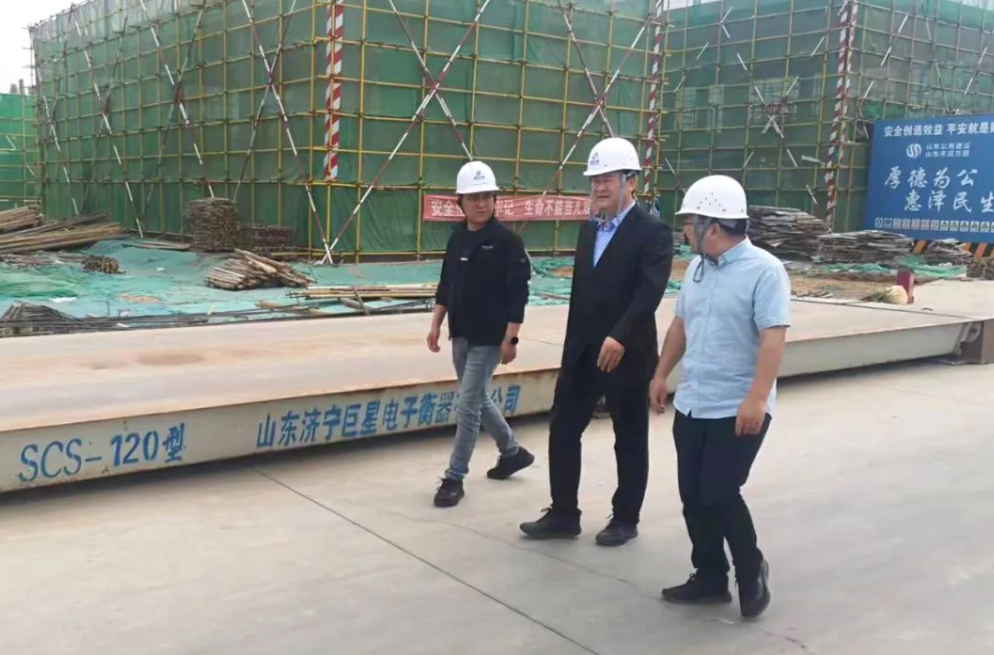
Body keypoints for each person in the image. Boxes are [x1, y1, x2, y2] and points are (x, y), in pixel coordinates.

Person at [520, 137, 673, 546]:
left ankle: (625, 517)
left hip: (627, 353)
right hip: (583, 351)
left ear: (631, 182)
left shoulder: (652, 232)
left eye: (607, 179)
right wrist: (571, 348)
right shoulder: (589, 230)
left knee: (629, 435)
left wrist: (619, 336)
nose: (599, 187)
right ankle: (563, 513)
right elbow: (580, 295)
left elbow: (649, 292)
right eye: (594, 180)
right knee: (563, 427)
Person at [649, 175, 790, 619]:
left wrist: (757, 399)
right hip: (694, 401)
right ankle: (710, 576)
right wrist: (661, 374)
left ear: (711, 225)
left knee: (720, 491)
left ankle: (751, 571)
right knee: (692, 494)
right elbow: (681, 325)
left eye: (689, 221)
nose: (684, 229)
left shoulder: (765, 270)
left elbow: (773, 338)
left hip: (738, 405)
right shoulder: (696, 269)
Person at [428, 161, 535, 508]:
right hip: (460, 332)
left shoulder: (507, 241)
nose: (481, 204)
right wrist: (436, 323)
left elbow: (519, 294)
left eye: (487, 197)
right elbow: (446, 285)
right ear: (460, 201)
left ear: (495, 200)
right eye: (474, 198)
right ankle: (512, 452)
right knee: (476, 397)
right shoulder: (457, 238)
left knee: (467, 405)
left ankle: (454, 478)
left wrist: (512, 338)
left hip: (490, 338)